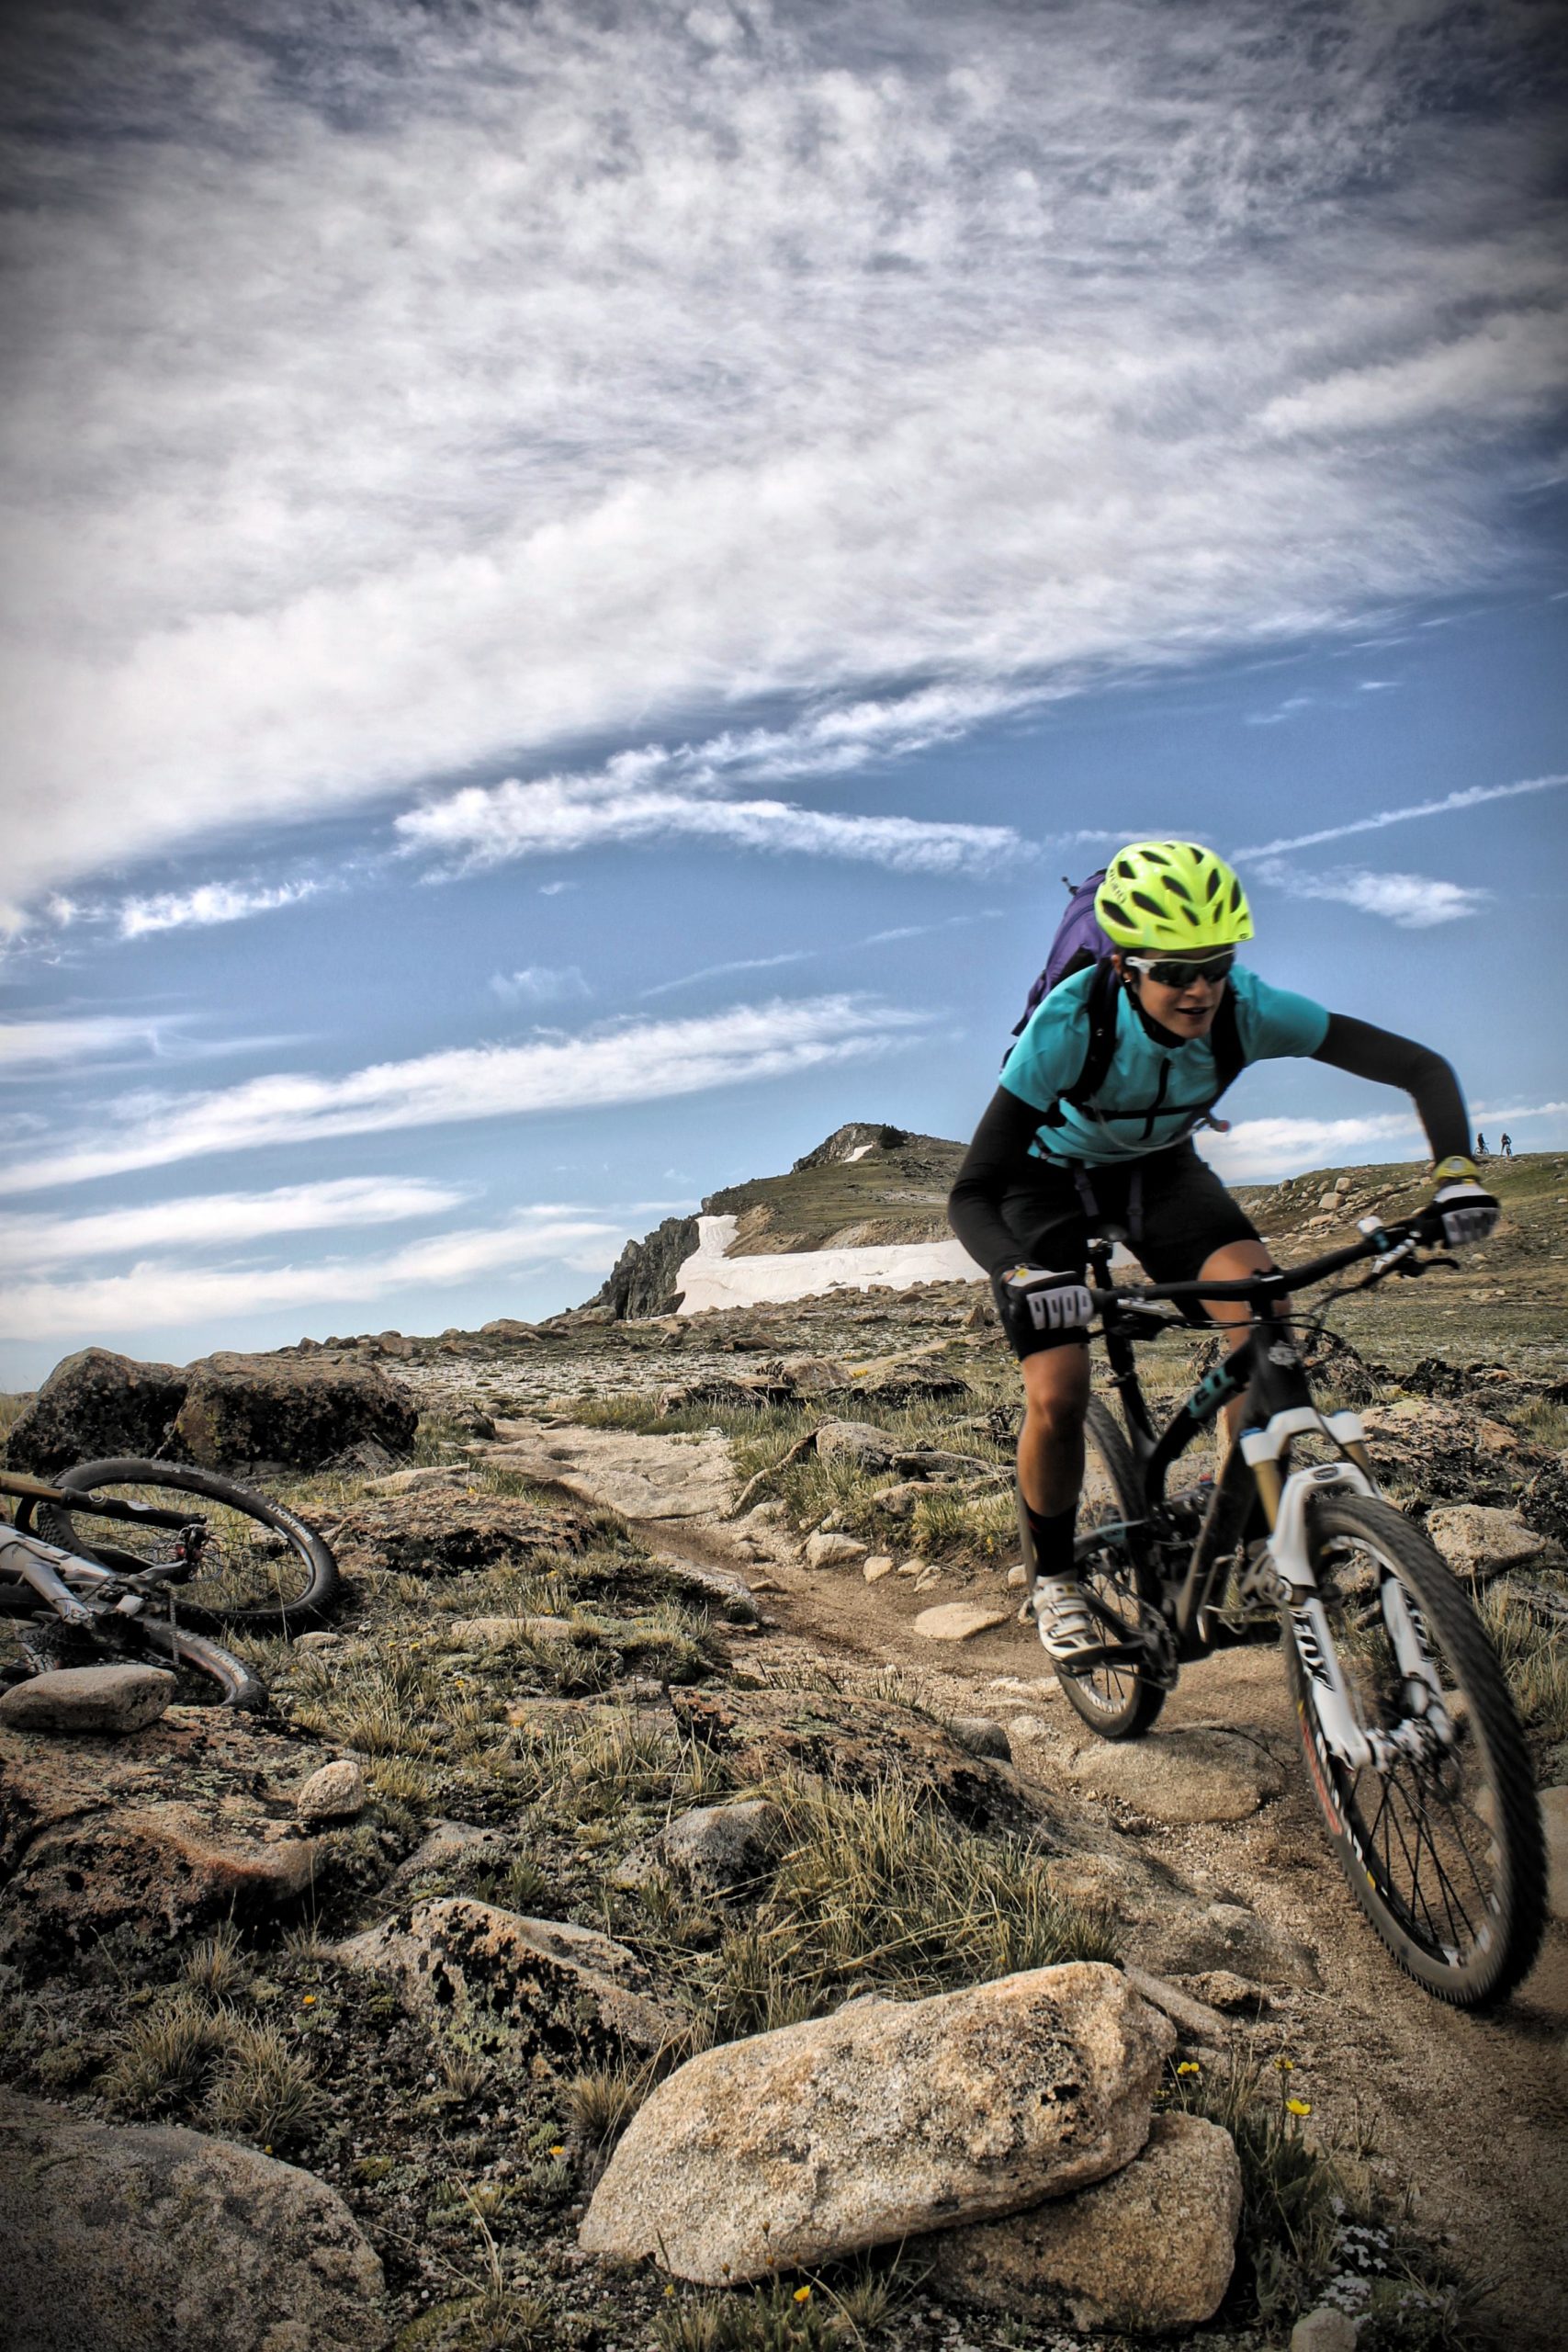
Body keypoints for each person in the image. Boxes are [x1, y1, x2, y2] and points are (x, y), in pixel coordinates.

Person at [947, 838, 1499, 1665]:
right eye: (1173, 970)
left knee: (1265, 1312)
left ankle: (1229, 1513)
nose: (1199, 988)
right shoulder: (1070, 1024)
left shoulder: (1249, 1009)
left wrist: (1455, 1175)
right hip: (1042, 1181)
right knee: (1058, 1391)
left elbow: (1418, 1067)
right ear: (1128, 967)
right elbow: (972, 1191)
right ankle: (1056, 1580)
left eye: (1215, 963)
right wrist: (1023, 1274)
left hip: (1160, 1171)